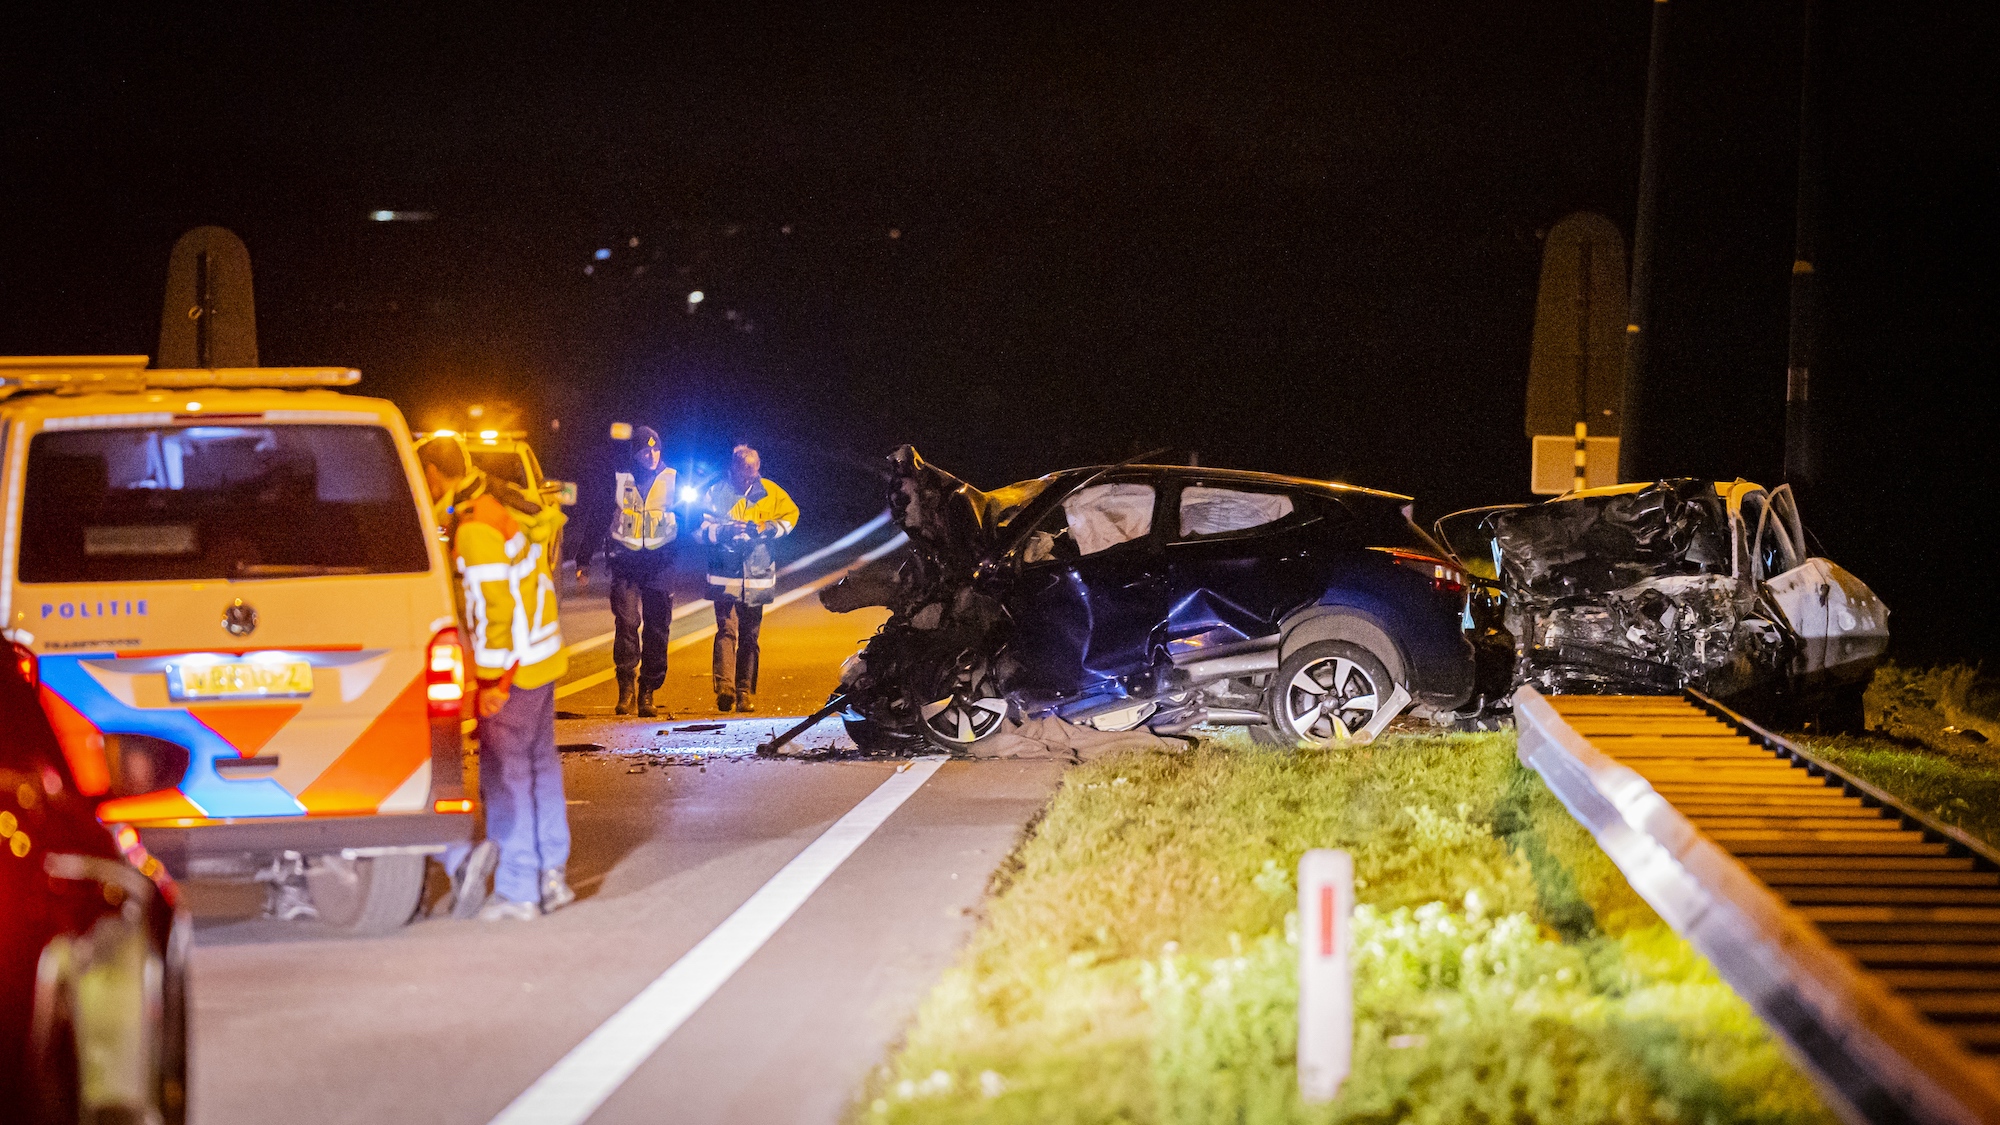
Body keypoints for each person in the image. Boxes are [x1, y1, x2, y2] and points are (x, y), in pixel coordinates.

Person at [416, 434, 577, 920]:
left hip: (513, 667)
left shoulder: (474, 528)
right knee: (540, 768)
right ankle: (551, 875)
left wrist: (490, 682)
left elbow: (494, 610)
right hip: (542, 656)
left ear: (433, 476)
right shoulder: (506, 505)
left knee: (505, 777)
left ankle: (517, 889)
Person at [577, 426, 677, 717]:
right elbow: (597, 518)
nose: (651, 455)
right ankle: (627, 689)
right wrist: (583, 559)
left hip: (661, 564)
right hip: (625, 563)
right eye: (645, 451)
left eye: (655, 449)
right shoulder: (619, 479)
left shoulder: (674, 479)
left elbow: (692, 519)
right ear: (635, 453)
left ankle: (648, 691)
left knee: (658, 629)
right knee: (626, 623)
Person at [696, 445, 799, 713]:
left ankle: (744, 691)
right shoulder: (716, 492)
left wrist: (768, 529)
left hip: (757, 575)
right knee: (726, 631)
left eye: (753, 473)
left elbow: (791, 516)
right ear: (733, 469)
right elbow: (698, 529)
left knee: (750, 637)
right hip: (725, 575)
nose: (749, 479)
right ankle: (725, 689)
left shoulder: (770, 492)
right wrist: (724, 532)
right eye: (744, 474)